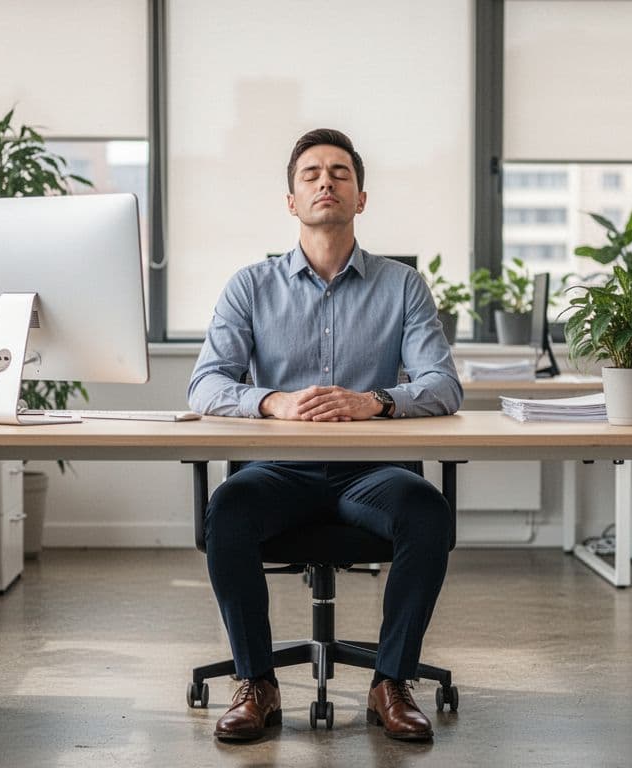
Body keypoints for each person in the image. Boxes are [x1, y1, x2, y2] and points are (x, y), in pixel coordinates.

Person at [187, 128, 463, 743]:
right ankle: (257, 682)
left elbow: (444, 385)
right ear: (291, 200)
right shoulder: (249, 287)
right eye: (310, 173)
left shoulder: (402, 286)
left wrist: (376, 402)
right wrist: (273, 401)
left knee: (427, 512)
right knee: (226, 511)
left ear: (360, 197)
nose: (325, 182)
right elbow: (204, 386)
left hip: (371, 472)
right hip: (279, 471)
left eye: (339, 173)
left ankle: (390, 681)